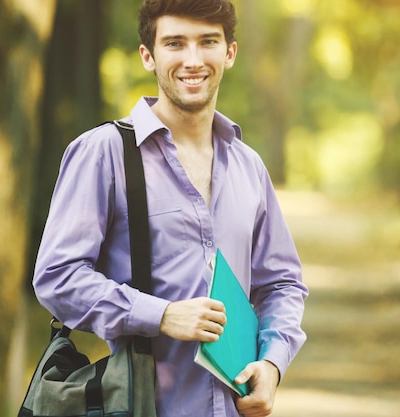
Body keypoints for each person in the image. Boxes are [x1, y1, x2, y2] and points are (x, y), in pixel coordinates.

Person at [32, 1, 308, 416]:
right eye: (175, 43)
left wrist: (272, 362)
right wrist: (159, 315)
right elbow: (57, 277)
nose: (192, 60)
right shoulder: (103, 153)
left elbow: (282, 283)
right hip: (141, 406)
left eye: (207, 42)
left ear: (229, 53)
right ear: (149, 56)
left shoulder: (248, 165)